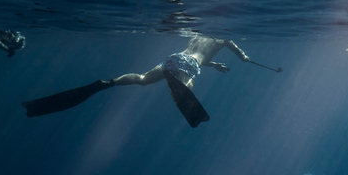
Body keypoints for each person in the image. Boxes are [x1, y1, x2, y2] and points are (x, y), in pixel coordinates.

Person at [22, 35, 259, 127]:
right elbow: (237, 51)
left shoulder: (197, 33)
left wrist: (213, 64)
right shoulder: (224, 36)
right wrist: (245, 57)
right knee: (188, 81)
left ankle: (110, 82)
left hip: (175, 58)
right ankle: (185, 91)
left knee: (144, 78)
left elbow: (198, 53)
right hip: (190, 64)